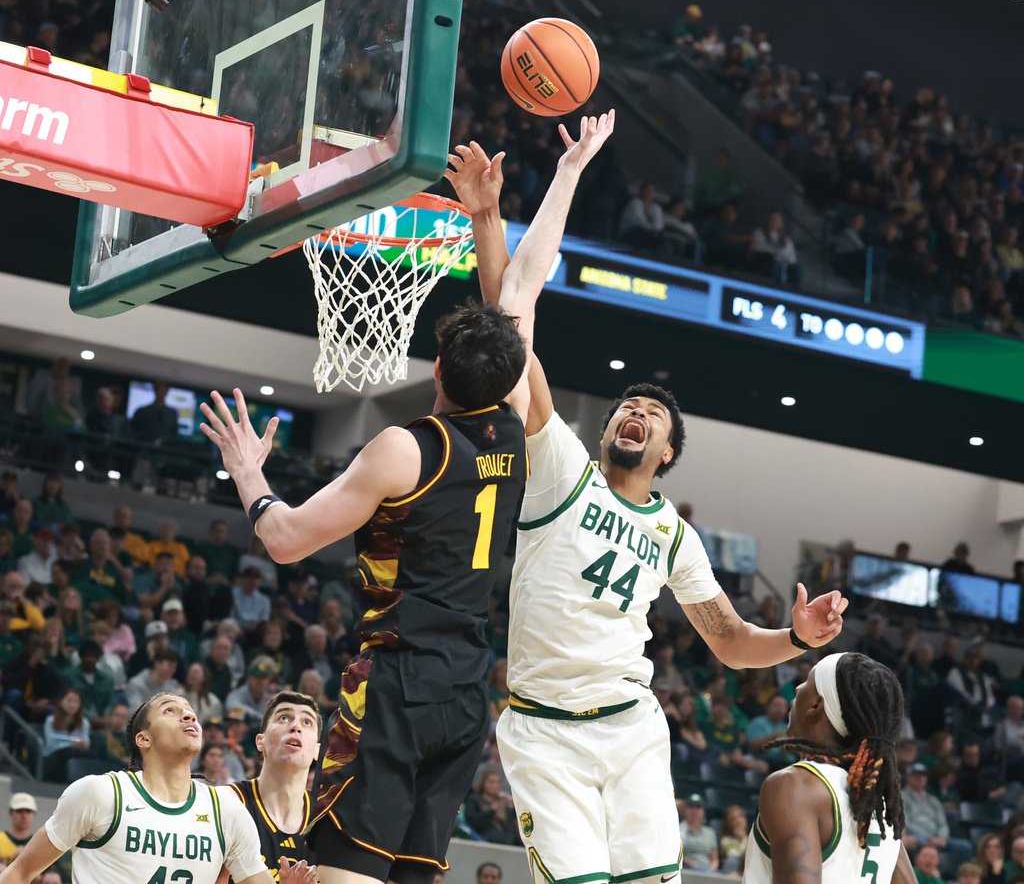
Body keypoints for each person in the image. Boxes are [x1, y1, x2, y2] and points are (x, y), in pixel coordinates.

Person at [200, 113, 616, 884]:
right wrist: (563, 174)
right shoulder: (519, 421)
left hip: (395, 683)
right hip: (465, 692)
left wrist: (249, 472)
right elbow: (522, 281)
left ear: (436, 371)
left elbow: (286, 540)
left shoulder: (405, 449)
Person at [448, 130, 849, 884]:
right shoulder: (561, 466)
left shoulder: (673, 535)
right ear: (605, 431)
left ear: (666, 453)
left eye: (651, 415)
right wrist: (493, 217)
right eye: (625, 407)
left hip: (632, 730)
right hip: (544, 731)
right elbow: (512, 330)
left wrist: (793, 636)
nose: (634, 413)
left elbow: (730, 642)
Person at [0, 693, 299, 884]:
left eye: (191, 712)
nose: (189, 715)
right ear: (144, 739)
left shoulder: (227, 811)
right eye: (170, 710)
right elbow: (20, 872)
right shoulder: (101, 794)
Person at [742, 652, 914, 884]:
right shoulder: (877, 804)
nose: (796, 689)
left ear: (816, 704)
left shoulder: (795, 785)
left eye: (806, 683)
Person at [227, 692, 322, 879]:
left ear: (317, 751)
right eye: (284, 718)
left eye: (307, 722)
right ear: (260, 742)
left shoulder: (328, 817)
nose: (295, 727)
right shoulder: (228, 802)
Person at [679, 794, 718, 873]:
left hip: (708, 871)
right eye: (691, 807)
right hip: (686, 870)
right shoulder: (678, 830)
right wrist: (695, 868)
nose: (694, 811)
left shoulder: (710, 833)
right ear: (685, 810)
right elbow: (677, 854)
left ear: (703, 812)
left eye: (698, 807)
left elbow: (714, 858)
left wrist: (711, 870)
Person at [0, 794, 36, 865]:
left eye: (28, 811)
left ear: (34, 814)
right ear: (10, 813)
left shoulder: (38, 843)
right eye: (19, 811)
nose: (24, 816)